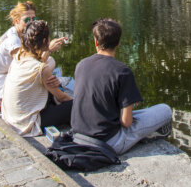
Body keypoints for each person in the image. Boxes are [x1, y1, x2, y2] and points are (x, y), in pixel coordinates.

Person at [71, 18, 172, 156]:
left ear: (96, 42)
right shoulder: (122, 71)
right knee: (165, 110)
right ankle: (149, 135)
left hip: (79, 136)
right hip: (108, 142)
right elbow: (126, 122)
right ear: (118, 43)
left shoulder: (81, 64)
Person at [1, 20, 73, 136]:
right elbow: (62, 98)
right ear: (45, 41)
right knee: (73, 106)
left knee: (54, 86)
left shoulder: (20, 56)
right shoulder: (41, 69)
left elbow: (37, 66)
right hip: (29, 122)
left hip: (11, 116)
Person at [0, 1, 64, 104]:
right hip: (1, 86)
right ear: (16, 21)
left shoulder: (23, 33)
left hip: (12, 77)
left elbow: (32, 60)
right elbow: (27, 68)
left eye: (34, 19)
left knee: (50, 61)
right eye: (27, 20)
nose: (31, 22)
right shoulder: (13, 40)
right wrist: (48, 49)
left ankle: (50, 87)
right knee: (46, 65)